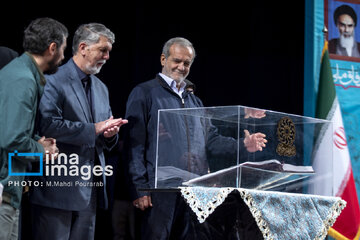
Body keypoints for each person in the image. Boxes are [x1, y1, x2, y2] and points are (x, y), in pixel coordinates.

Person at [123, 37, 267, 239]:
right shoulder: (144, 93)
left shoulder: (195, 101)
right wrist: (139, 189)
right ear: (163, 59)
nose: (181, 67)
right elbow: (133, 145)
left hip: (193, 191)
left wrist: (243, 145)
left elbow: (211, 141)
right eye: (176, 61)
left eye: (187, 63)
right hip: (159, 192)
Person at [29, 23, 128, 240]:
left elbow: (102, 134)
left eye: (109, 51)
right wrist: (95, 128)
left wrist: (110, 135)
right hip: (57, 190)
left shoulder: (102, 88)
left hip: (89, 191)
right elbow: (49, 125)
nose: (107, 56)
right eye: (103, 50)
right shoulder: (53, 79)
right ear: (83, 47)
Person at [0, 17, 66, 240]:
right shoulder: (23, 79)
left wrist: (37, 141)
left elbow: (10, 129)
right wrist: (43, 151)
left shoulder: (18, 72)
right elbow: (12, 139)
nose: (63, 57)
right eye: (64, 50)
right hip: (4, 191)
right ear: (52, 48)